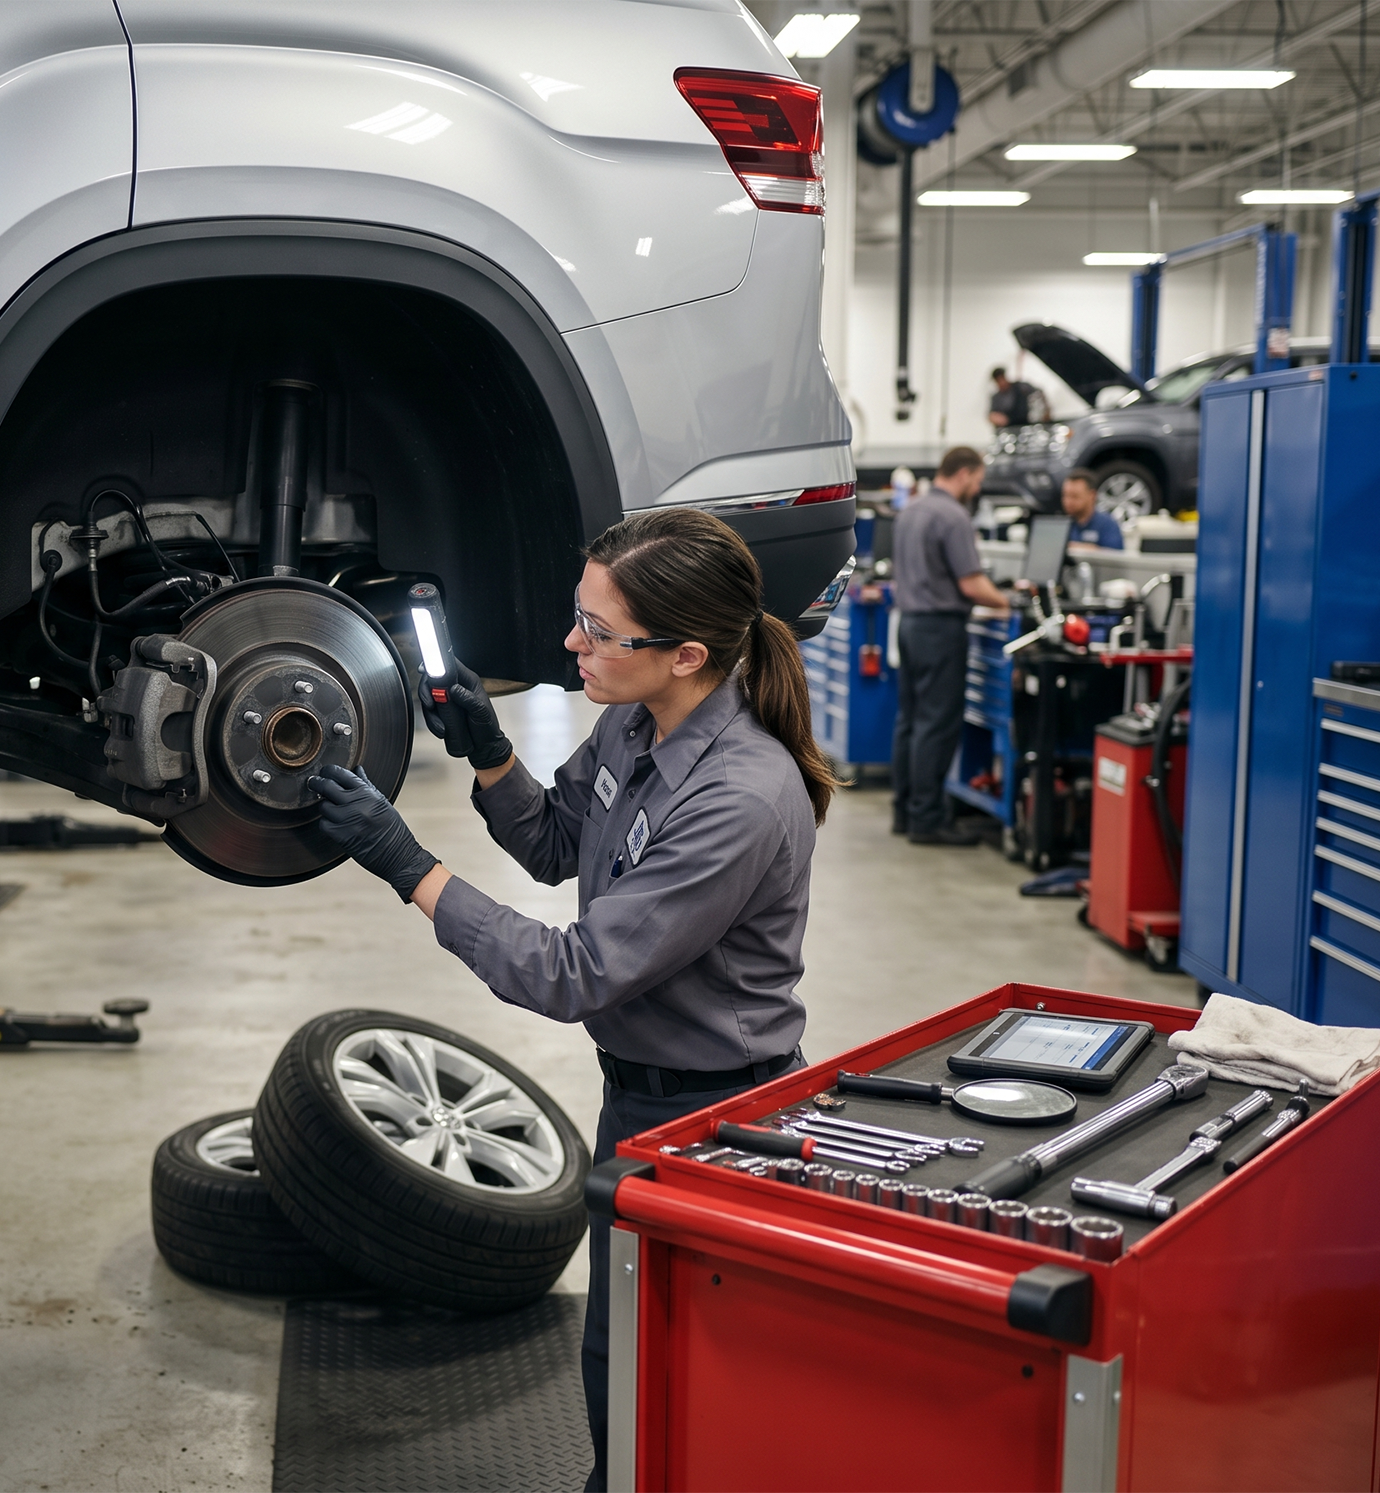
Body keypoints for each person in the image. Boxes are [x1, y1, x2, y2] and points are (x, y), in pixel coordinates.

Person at [305, 507, 830, 1493]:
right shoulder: (635, 719)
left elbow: (571, 969)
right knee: (616, 1369)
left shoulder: (739, 798)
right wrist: (490, 754)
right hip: (636, 1100)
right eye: (576, 614)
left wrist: (404, 863)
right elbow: (557, 845)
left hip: (710, 1122)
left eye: (598, 630)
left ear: (684, 653)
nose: (569, 642)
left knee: (667, 1385)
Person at [890, 447, 1013, 846]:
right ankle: (927, 820)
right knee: (936, 725)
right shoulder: (953, 516)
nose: (976, 489)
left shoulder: (911, 510)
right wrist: (1007, 602)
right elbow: (971, 584)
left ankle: (905, 813)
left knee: (910, 721)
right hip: (940, 630)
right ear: (963, 474)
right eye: (977, 482)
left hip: (908, 625)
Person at [1060, 467, 1125, 548]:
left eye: (1074, 496)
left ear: (1092, 495)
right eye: (1065, 496)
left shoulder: (1107, 524)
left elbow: (1115, 556)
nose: (1068, 501)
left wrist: (1076, 548)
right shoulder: (1062, 524)